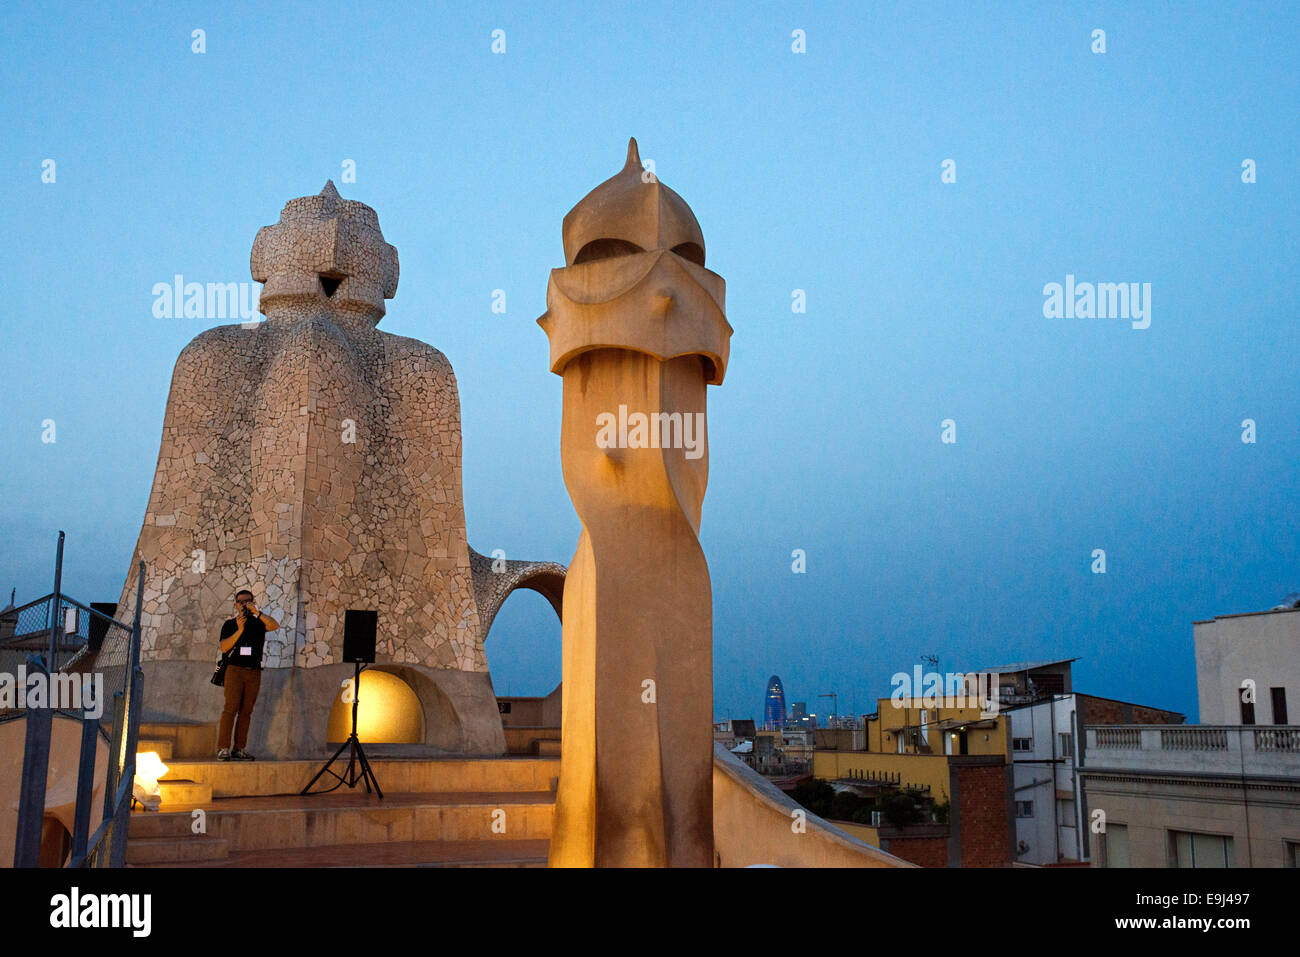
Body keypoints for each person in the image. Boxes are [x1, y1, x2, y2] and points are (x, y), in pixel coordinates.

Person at [216, 589, 278, 761]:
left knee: (246, 711)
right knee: (230, 709)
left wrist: (257, 612)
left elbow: (274, 625)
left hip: (253, 671)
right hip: (234, 670)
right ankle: (223, 748)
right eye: (241, 602)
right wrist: (240, 629)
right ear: (236, 604)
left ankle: (239, 748)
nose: (245, 604)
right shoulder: (229, 624)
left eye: (248, 601)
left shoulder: (258, 623)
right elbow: (224, 647)